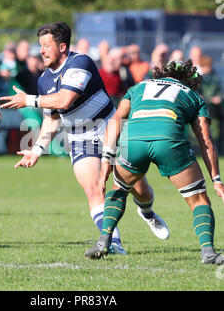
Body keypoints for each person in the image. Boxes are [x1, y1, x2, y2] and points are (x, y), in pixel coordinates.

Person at [0, 22, 169, 254]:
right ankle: (112, 243)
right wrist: (37, 150)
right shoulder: (43, 80)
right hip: (79, 137)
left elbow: (65, 100)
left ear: (62, 46)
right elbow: (53, 118)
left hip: (110, 130)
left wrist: (29, 100)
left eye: (46, 46)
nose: (41, 51)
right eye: (40, 46)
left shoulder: (80, 62)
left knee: (138, 187)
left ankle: (147, 212)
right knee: (93, 188)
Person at [85, 60, 224, 265]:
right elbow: (206, 141)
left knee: (119, 188)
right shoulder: (193, 96)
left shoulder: (138, 87)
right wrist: (217, 179)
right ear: (188, 81)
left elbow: (116, 120)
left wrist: (107, 157)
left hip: (133, 141)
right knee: (199, 200)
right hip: (168, 141)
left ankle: (104, 241)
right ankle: (209, 252)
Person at [198, 55, 224, 155]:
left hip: (217, 109)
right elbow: (197, 94)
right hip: (204, 109)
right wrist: (209, 99)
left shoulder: (216, 77)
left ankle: (219, 147)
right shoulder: (199, 79)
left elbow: (220, 91)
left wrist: (219, 98)